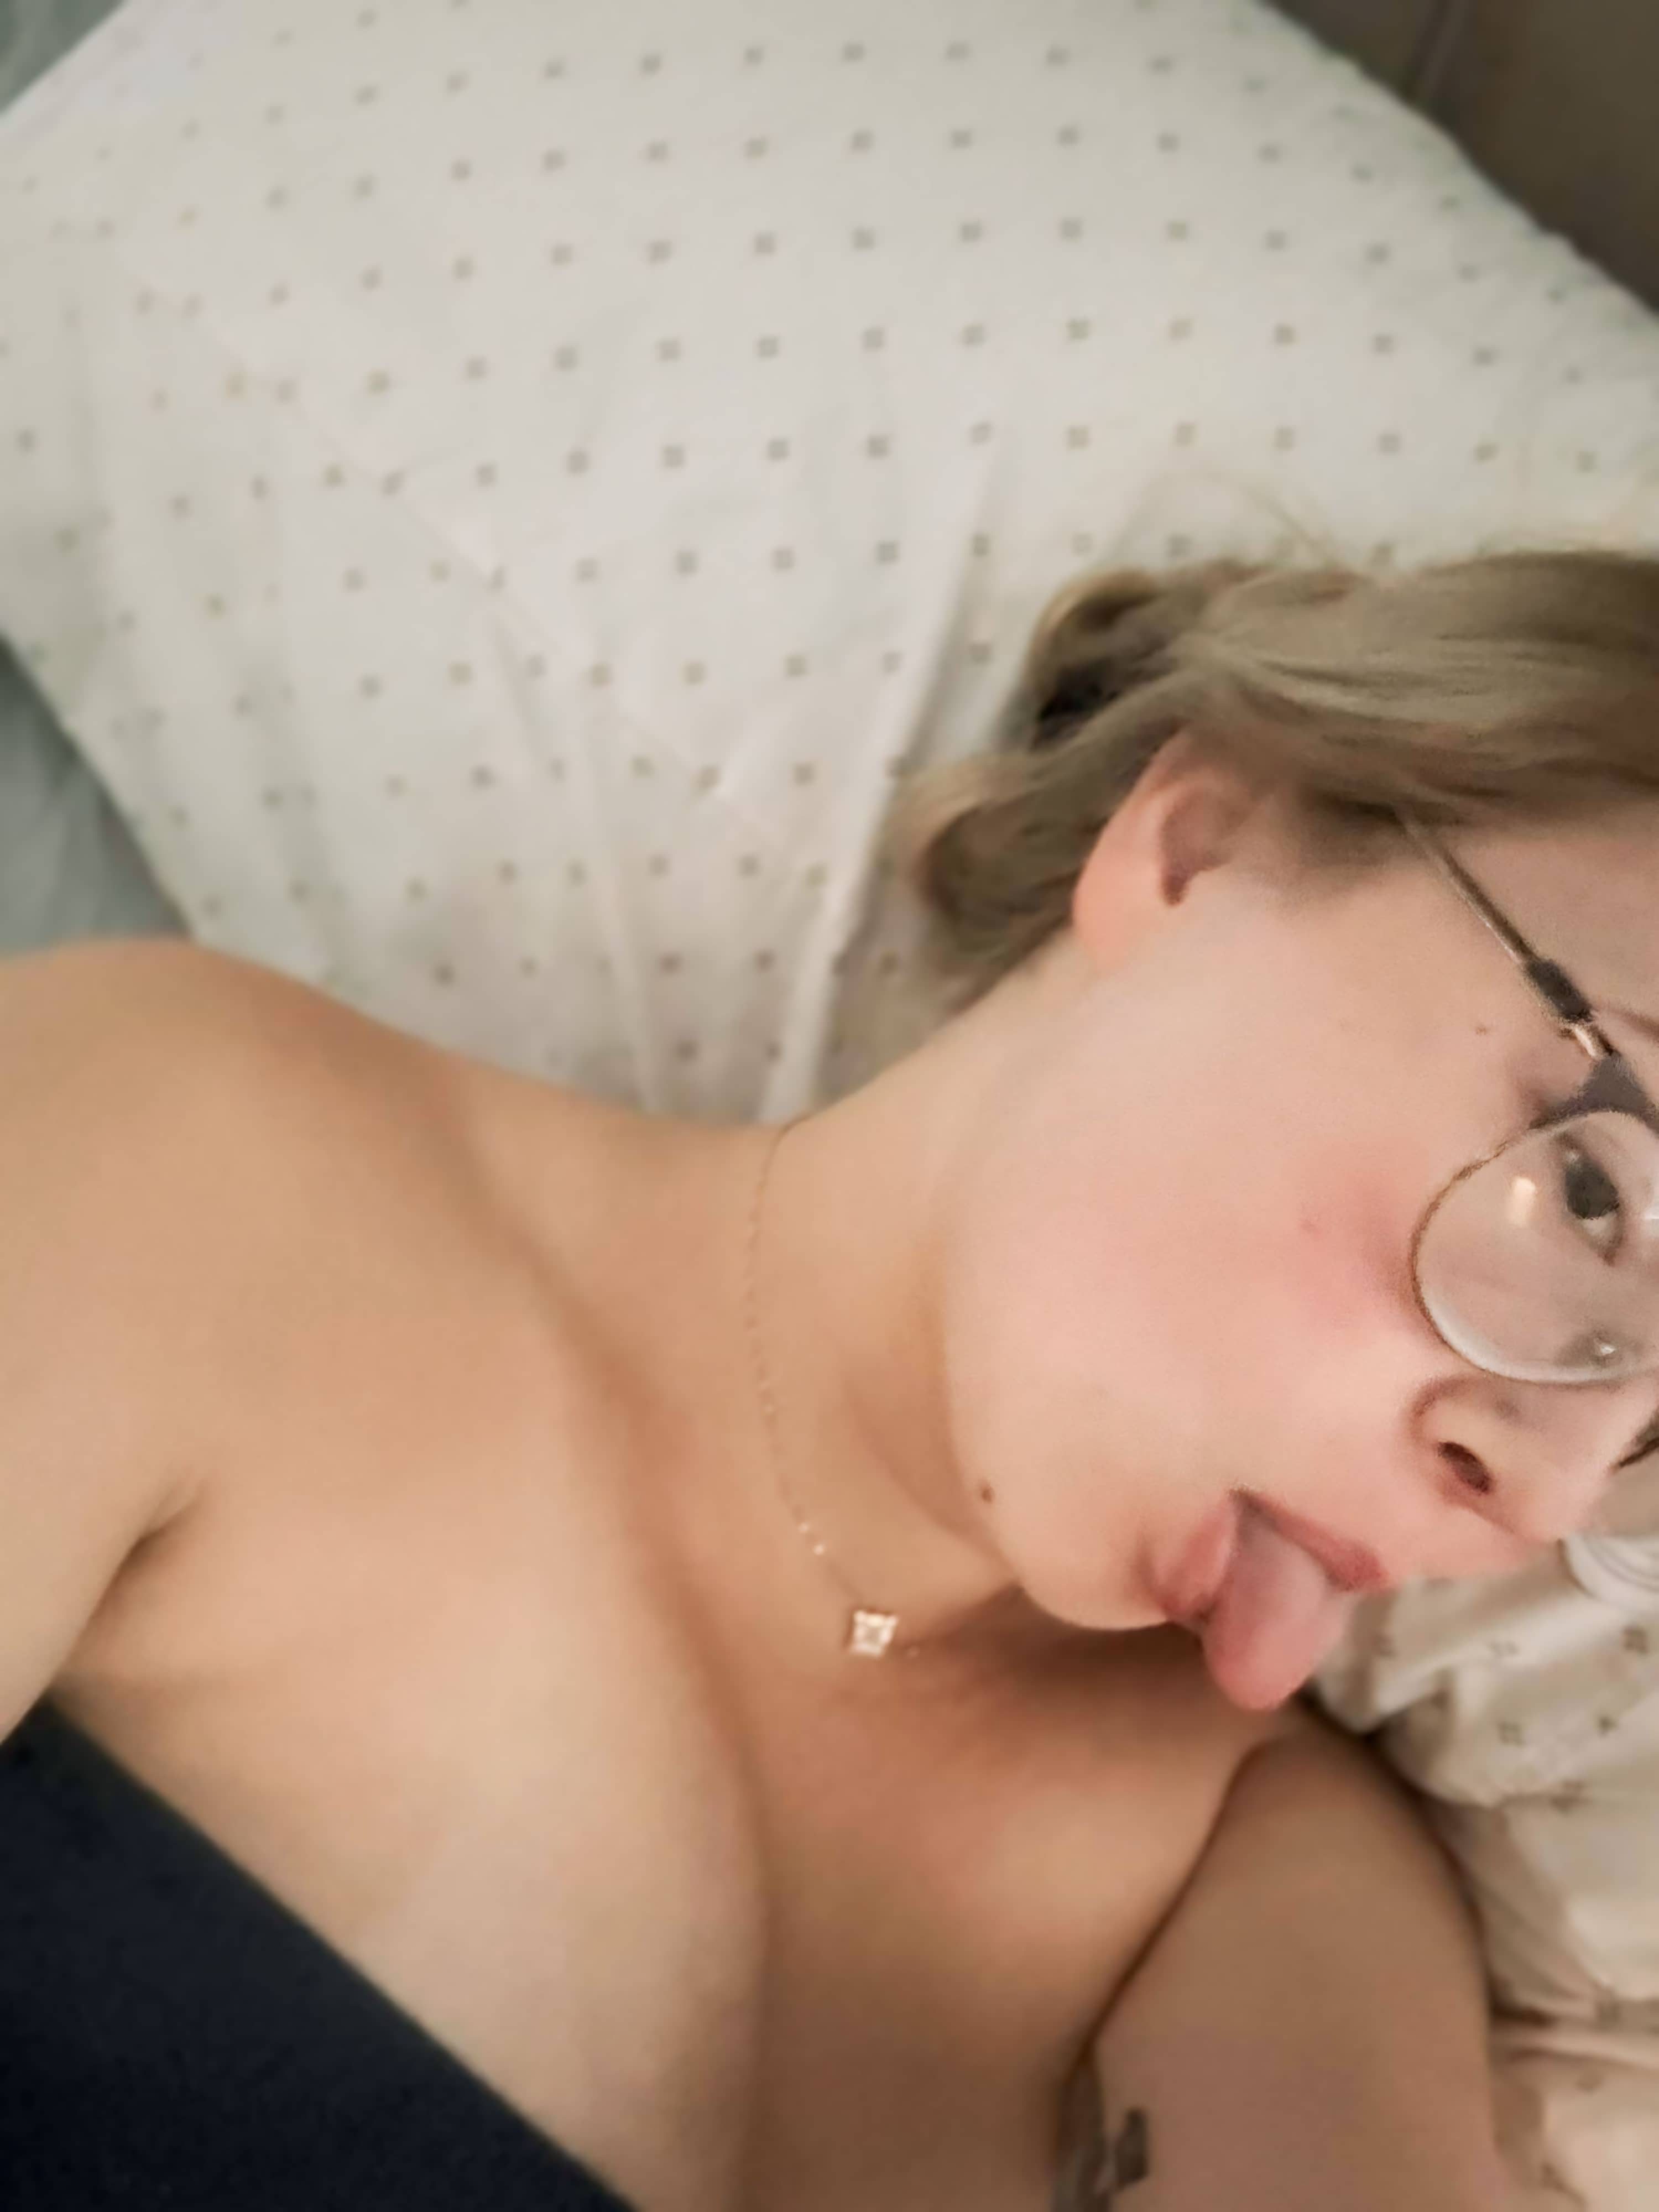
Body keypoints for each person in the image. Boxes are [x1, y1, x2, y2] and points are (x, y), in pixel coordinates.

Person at [4, 545, 1657, 2212]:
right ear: (1196, 850)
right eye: (1595, 1196)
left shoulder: (1247, 1867)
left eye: (1656, 1427)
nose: (1553, 1484)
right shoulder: (200, 1173)